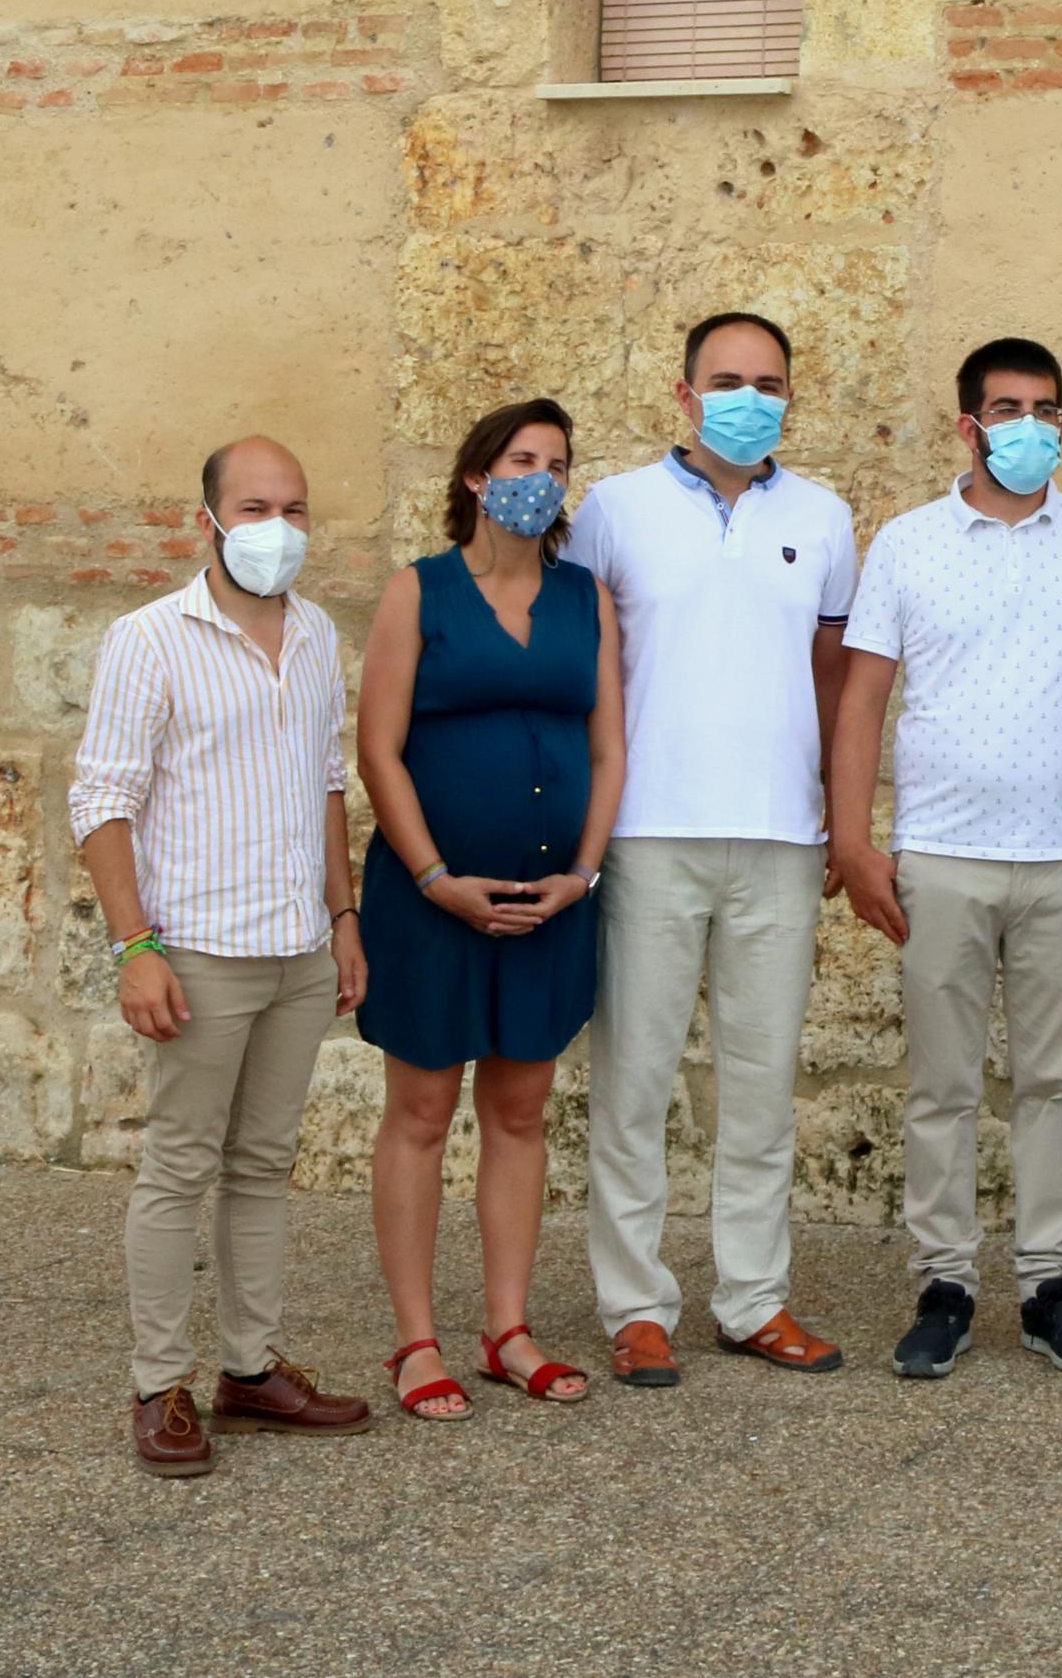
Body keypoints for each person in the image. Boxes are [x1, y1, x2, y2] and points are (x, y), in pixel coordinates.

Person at [830, 336, 1062, 1381]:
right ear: (968, 425)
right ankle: (944, 1282)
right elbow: (863, 694)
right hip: (940, 855)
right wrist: (853, 837)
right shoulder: (908, 543)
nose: (1030, 426)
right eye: (1008, 408)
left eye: (1048, 409)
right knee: (940, 1082)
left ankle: (1047, 1281)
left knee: (1055, 1079)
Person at [567, 311, 864, 1383]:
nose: (750, 397)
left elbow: (835, 675)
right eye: (727, 379)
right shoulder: (612, 510)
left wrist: (839, 812)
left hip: (780, 836)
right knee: (635, 1081)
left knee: (759, 1083)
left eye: (769, 381)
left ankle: (752, 1297)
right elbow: (584, 661)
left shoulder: (824, 517)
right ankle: (634, 1303)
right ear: (684, 394)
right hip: (648, 831)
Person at [68, 434, 375, 1475]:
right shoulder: (149, 639)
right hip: (197, 947)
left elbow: (327, 783)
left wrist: (342, 919)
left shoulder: (319, 631)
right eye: (253, 508)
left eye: (292, 508)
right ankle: (160, 1385)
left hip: (295, 946)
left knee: (261, 1164)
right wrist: (134, 946)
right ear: (204, 520)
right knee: (176, 1167)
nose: (276, 529)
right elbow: (100, 800)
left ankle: (249, 1367)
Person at [351, 398, 624, 1422]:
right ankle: (415, 1340)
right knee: (420, 1112)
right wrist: (432, 877)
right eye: (520, 458)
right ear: (475, 476)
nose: (539, 478)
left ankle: (507, 1328)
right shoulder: (416, 593)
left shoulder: (582, 596)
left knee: (519, 1110)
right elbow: (377, 748)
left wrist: (585, 872)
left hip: (552, 899)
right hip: (433, 900)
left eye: (556, 463)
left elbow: (607, 746)